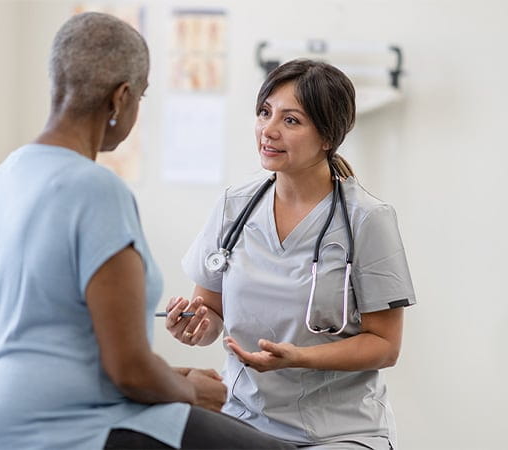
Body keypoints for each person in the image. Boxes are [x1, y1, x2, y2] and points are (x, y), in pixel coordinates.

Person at [0, 12, 295, 450]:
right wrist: (191, 390)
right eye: (141, 98)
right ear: (120, 98)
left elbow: (59, 343)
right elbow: (128, 368)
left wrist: (172, 377)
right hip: (63, 429)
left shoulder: (6, 175)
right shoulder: (96, 190)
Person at [164, 59, 416, 449]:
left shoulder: (368, 219)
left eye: (291, 121)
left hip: (339, 432)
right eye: (265, 112)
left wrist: (300, 357)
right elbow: (210, 311)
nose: (269, 130)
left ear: (328, 136)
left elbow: (385, 345)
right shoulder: (234, 206)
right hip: (244, 421)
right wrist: (196, 326)